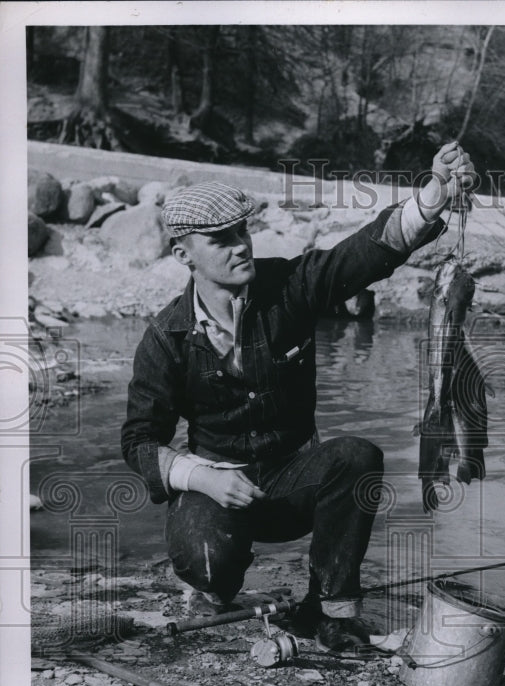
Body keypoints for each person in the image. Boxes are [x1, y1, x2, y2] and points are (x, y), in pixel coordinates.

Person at [121, 142, 477, 652]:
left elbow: (364, 254)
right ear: (183, 255)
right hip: (217, 487)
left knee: (357, 457)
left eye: (242, 231)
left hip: (293, 479)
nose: (240, 245)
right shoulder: (165, 338)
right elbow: (138, 440)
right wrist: (202, 477)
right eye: (220, 239)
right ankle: (211, 585)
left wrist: (433, 197)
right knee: (208, 565)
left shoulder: (289, 286)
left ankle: (332, 611)